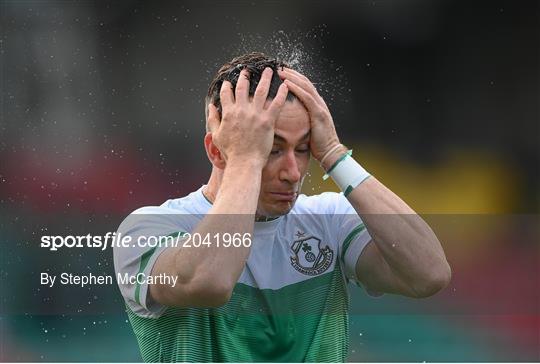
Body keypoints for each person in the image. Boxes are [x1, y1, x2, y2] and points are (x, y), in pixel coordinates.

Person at [113, 52, 451, 362]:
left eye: (303, 149)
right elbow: (210, 281)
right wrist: (245, 158)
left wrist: (334, 152)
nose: (293, 172)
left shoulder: (329, 220)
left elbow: (429, 274)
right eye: (272, 150)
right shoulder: (148, 228)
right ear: (217, 151)